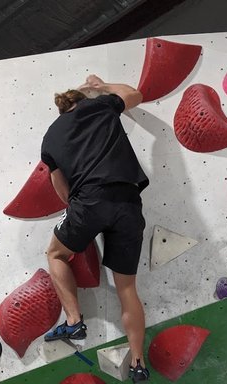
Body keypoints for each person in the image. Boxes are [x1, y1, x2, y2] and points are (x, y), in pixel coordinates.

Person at [40, 74, 150, 383]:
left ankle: (74, 320)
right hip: (128, 204)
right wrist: (101, 88)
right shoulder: (101, 107)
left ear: (63, 109)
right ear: (82, 101)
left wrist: (81, 213)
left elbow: (62, 192)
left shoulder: (50, 138)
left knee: (56, 254)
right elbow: (134, 94)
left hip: (88, 202)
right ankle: (139, 363)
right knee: (127, 288)